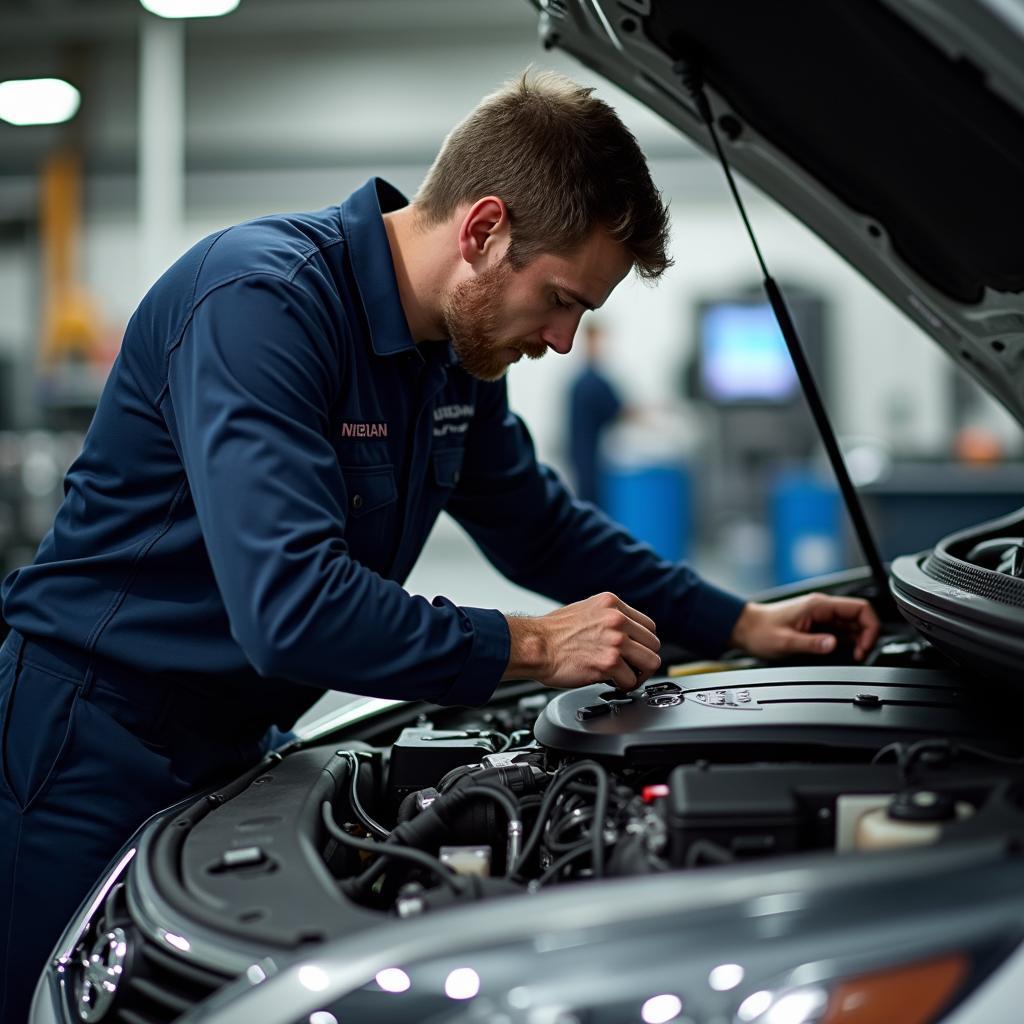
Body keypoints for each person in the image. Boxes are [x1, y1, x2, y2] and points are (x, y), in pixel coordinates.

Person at [0, 71, 879, 1020]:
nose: (563, 337)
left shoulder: (455, 359)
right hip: (86, 739)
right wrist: (535, 644)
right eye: (560, 299)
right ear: (483, 230)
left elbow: (540, 527)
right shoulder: (262, 304)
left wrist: (744, 621)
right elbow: (292, 610)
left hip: (231, 742)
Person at [568, 319, 624, 507]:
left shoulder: (586, 381)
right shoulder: (589, 383)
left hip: (588, 457)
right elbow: (619, 411)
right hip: (589, 460)